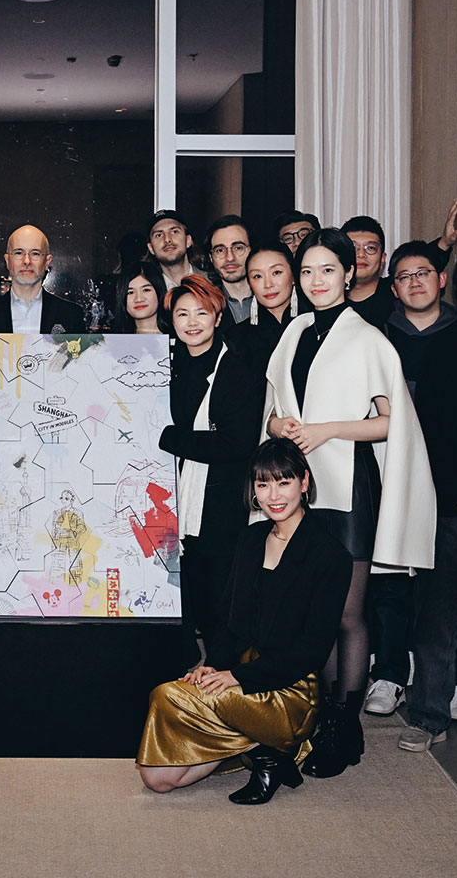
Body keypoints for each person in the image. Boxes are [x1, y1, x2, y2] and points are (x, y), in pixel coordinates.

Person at [264, 228, 436, 777]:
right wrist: (280, 426)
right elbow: (272, 411)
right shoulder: (293, 332)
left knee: (347, 613)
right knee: (314, 612)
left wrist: (329, 429)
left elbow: (393, 420)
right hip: (299, 491)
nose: (316, 280)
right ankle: (322, 719)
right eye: (307, 271)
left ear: (348, 273)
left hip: (348, 489)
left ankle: (346, 725)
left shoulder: (368, 338)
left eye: (327, 270)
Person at [137, 439, 352, 805]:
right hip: (241, 681)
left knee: (166, 694)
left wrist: (237, 676)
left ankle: (276, 744)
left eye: (283, 482)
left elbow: (312, 652)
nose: (273, 495)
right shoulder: (250, 539)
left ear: (304, 482)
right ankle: (262, 749)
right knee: (158, 779)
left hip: (290, 690)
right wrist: (214, 665)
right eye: (263, 483)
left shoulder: (330, 555)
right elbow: (230, 622)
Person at [362, 241, 457, 716]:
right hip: (390, 482)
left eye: (423, 273)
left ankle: (445, 686)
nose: (415, 282)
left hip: (450, 487)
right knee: (391, 584)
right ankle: (390, 674)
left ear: (441, 279)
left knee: (444, 593)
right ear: (393, 288)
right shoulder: (378, 340)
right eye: (404, 276)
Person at [158, 276, 263, 666]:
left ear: (218, 317)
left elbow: (237, 444)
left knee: (219, 599)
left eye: (201, 313)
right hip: (174, 497)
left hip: (220, 504)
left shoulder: (235, 369)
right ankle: (187, 671)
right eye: (182, 314)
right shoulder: (167, 368)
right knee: (182, 596)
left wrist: (172, 439)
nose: (192, 322)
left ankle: (220, 676)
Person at [400, 315, 457, 751]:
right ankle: (428, 716)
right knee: (437, 615)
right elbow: (431, 431)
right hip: (452, 504)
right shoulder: (446, 346)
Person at [341, 200, 457, 328]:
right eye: (353, 247)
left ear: (383, 259)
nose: (360, 254)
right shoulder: (329, 296)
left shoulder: (399, 290)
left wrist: (445, 242)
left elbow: (418, 263)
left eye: (370, 248)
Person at [0, 225, 86, 334]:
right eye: (19, 253)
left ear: (47, 262)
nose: (27, 261)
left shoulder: (71, 315)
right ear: (7, 261)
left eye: (35, 253)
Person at [224, 242, 299, 375]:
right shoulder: (235, 339)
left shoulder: (314, 324)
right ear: (250, 283)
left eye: (276, 272)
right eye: (257, 276)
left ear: (293, 276)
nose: (268, 284)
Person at [204, 215, 252, 328]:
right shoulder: (204, 305)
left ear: (252, 250)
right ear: (211, 258)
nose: (230, 258)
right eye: (220, 250)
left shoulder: (273, 297)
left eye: (238, 248)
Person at [146, 211, 205, 290]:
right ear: (151, 248)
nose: (167, 239)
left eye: (174, 232)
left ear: (188, 240)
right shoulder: (149, 292)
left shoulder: (213, 282)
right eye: (159, 235)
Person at [111, 260, 169, 335]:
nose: (138, 299)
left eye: (146, 290)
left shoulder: (178, 337)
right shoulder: (113, 339)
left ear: (159, 291)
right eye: (131, 292)